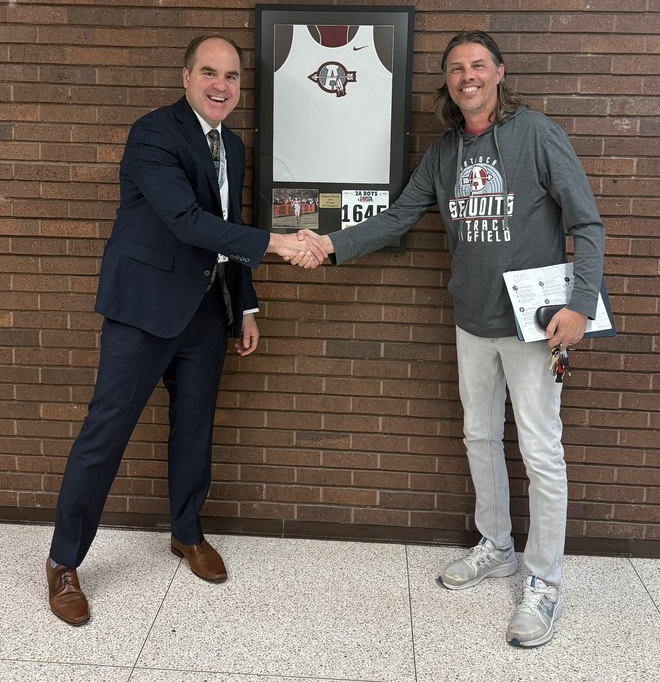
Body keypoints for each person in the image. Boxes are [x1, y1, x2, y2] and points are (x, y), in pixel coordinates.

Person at [296, 31, 605, 648]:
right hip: (471, 322)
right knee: (479, 436)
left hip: (533, 326)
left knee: (541, 450)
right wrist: (329, 244)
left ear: (499, 73)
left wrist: (580, 305)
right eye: (457, 68)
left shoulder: (538, 134)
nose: (468, 76)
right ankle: (497, 546)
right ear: (448, 81)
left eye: (478, 65)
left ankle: (544, 582)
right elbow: (398, 217)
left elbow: (587, 222)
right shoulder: (443, 153)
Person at [46, 34, 327, 626]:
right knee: (106, 432)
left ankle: (186, 532)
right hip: (143, 309)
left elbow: (228, 228)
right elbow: (185, 219)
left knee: (194, 430)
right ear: (186, 77)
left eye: (230, 76)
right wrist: (278, 243)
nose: (221, 85)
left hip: (205, 313)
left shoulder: (236, 148)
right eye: (209, 73)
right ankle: (64, 561)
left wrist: (245, 305)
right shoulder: (153, 133)